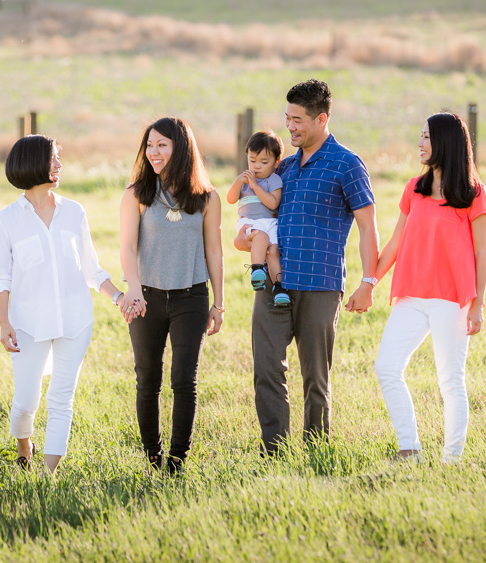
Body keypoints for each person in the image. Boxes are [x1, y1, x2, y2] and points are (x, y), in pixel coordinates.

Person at [238, 79, 379, 456]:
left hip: (320, 284)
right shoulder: (282, 167)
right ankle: (275, 454)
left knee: (315, 377)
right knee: (266, 369)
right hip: (274, 282)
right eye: (288, 118)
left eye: (298, 120)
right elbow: (256, 213)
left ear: (321, 119)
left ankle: (316, 452)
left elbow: (368, 226)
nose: (291, 127)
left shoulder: (346, 164)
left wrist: (368, 281)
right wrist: (247, 237)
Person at [0, 134, 124, 473]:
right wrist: (4, 324)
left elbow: (92, 269)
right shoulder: (5, 221)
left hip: (75, 321)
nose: (60, 165)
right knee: (25, 403)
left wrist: (119, 297)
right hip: (27, 325)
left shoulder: (74, 212)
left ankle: (48, 476)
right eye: (53, 159)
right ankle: (24, 446)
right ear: (33, 163)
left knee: (61, 398)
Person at [372, 112, 486, 464]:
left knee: (450, 381)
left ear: (445, 143)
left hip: (451, 301)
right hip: (410, 296)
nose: (420, 144)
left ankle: (452, 458)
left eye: (426, 137)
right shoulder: (414, 188)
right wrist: (369, 282)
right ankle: (409, 449)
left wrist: (478, 303)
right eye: (420, 137)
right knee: (387, 367)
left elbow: (481, 253)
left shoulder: (472, 194)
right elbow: (394, 244)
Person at [119, 116, 225, 474]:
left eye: (162, 144)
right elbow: (126, 248)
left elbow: (214, 251)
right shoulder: (136, 194)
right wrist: (133, 289)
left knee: (184, 380)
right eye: (149, 145)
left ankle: (176, 461)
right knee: (148, 379)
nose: (154, 152)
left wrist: (219, 302)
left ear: (181, 148)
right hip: (145, 297)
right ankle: (153, 457)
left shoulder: (207, 198)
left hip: (191, 299)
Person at [225, 130, 290, 307]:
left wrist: (254, 185)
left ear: (276, 163)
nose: (257, 166)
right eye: (252, 161)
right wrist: (239, 182)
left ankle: (279, 288)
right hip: (250, 223)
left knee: (274, 251)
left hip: (270, 223)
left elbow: (273, 202)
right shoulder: (244, 181)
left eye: (264, 162)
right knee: (260, 237)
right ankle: (256, 270)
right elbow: (230, 199)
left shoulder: (274, 180)